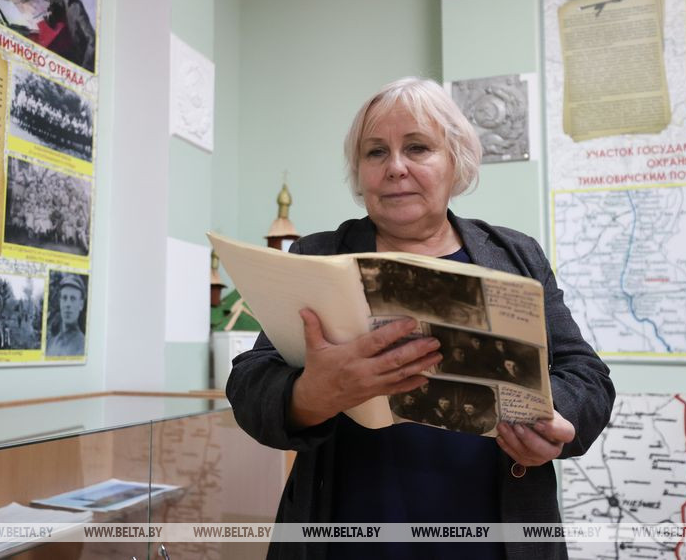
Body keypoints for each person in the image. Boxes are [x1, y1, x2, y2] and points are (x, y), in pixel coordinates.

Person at [226, 77, 615, 559]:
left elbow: (587, 376)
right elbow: (249, 385)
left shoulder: (517, 255)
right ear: (359, 171)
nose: (395, 167)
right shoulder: (317, 256)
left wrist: (557, 421)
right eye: (375, 152)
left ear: (456, 161)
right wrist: (311, 395)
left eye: (417, 147)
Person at [46, 273, 86, 356]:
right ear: (60, 302)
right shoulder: (51, 342)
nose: (68, 304)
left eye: (73, 299)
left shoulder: (83, 346)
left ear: (81, 305)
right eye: (64, 298)